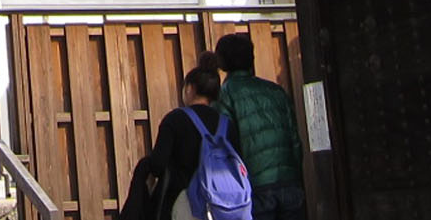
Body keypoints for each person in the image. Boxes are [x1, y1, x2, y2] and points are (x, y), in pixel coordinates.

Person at [214, 34, 304, 220]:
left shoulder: (226, 94)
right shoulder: (276, 91)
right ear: (251, 58)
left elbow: (224, 144)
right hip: (289, 183)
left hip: (255, 186)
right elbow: (295, 141)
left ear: (221, 62)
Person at [125, 56, 225, 220]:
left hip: (183, 201)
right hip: (222, 204)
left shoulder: (175, 119)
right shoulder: (226, 124)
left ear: (189, 89)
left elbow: (158, 164)